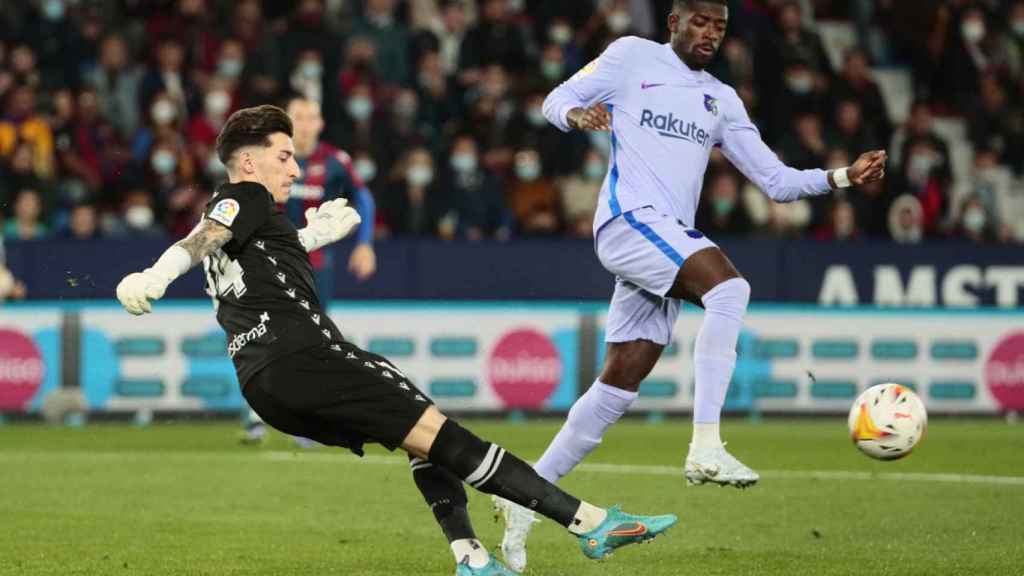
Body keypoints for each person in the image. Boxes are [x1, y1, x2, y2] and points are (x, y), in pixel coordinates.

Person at [114, 105, 677, 576]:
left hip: (263, 384)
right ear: (247, 160)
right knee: (443, 433)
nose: (293, 167)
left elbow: (244, 251)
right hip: (307, 357)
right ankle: (591, 523)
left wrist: (311, 235)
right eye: (284, 156)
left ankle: (472, 557)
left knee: (418, 436)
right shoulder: (244, 197)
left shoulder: (263, 221)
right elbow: (204, 236)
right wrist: (154, 277)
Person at [494, 1, 887, 571]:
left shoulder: (721, 99)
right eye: (699, 22)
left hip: (664, 237)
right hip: (629, 221)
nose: (709, 34)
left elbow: (776, 181)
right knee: (729, 290)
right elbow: (558, 99)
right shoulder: (632, 57)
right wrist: (576, 117)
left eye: (720, 27)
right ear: (674, 22)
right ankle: (705, 443)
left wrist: (843, 177)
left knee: (620, 382)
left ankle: (523, 498)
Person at [241, 94, 379, 445]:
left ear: (320, 123)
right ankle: (264, 414)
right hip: (267, 260)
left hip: (315, 267)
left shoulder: (334, 161)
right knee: (266, 334)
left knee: (306, 341)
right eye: (297, 116)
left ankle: (299, 419)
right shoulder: (264, 158)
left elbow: (363, 197)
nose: (304, 124)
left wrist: (364, 243)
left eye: (311, 117)